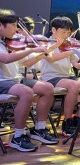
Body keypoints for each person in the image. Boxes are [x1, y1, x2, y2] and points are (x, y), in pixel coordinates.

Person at [0, 9, 61, 151]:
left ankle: (39, 128)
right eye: (14, 25)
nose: (16, 29)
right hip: (2, 81)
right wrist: (31, 50)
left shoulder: (7, 42)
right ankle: (18, 136)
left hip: (14, 79)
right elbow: (6, 59)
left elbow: (23, 63)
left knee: (47, 88)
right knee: (26, 92)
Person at [38, 16, 80, 136]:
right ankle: (67, 121)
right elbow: (51, 58)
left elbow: (77, 65)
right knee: (73, 85)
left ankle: (78, 119)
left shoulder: (69, 44)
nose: (66, 35)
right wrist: (72, 51)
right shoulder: (45, 43)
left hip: (66, 77)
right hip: (51, 78)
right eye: (63, 32)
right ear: (54, 30)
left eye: (68, 32)